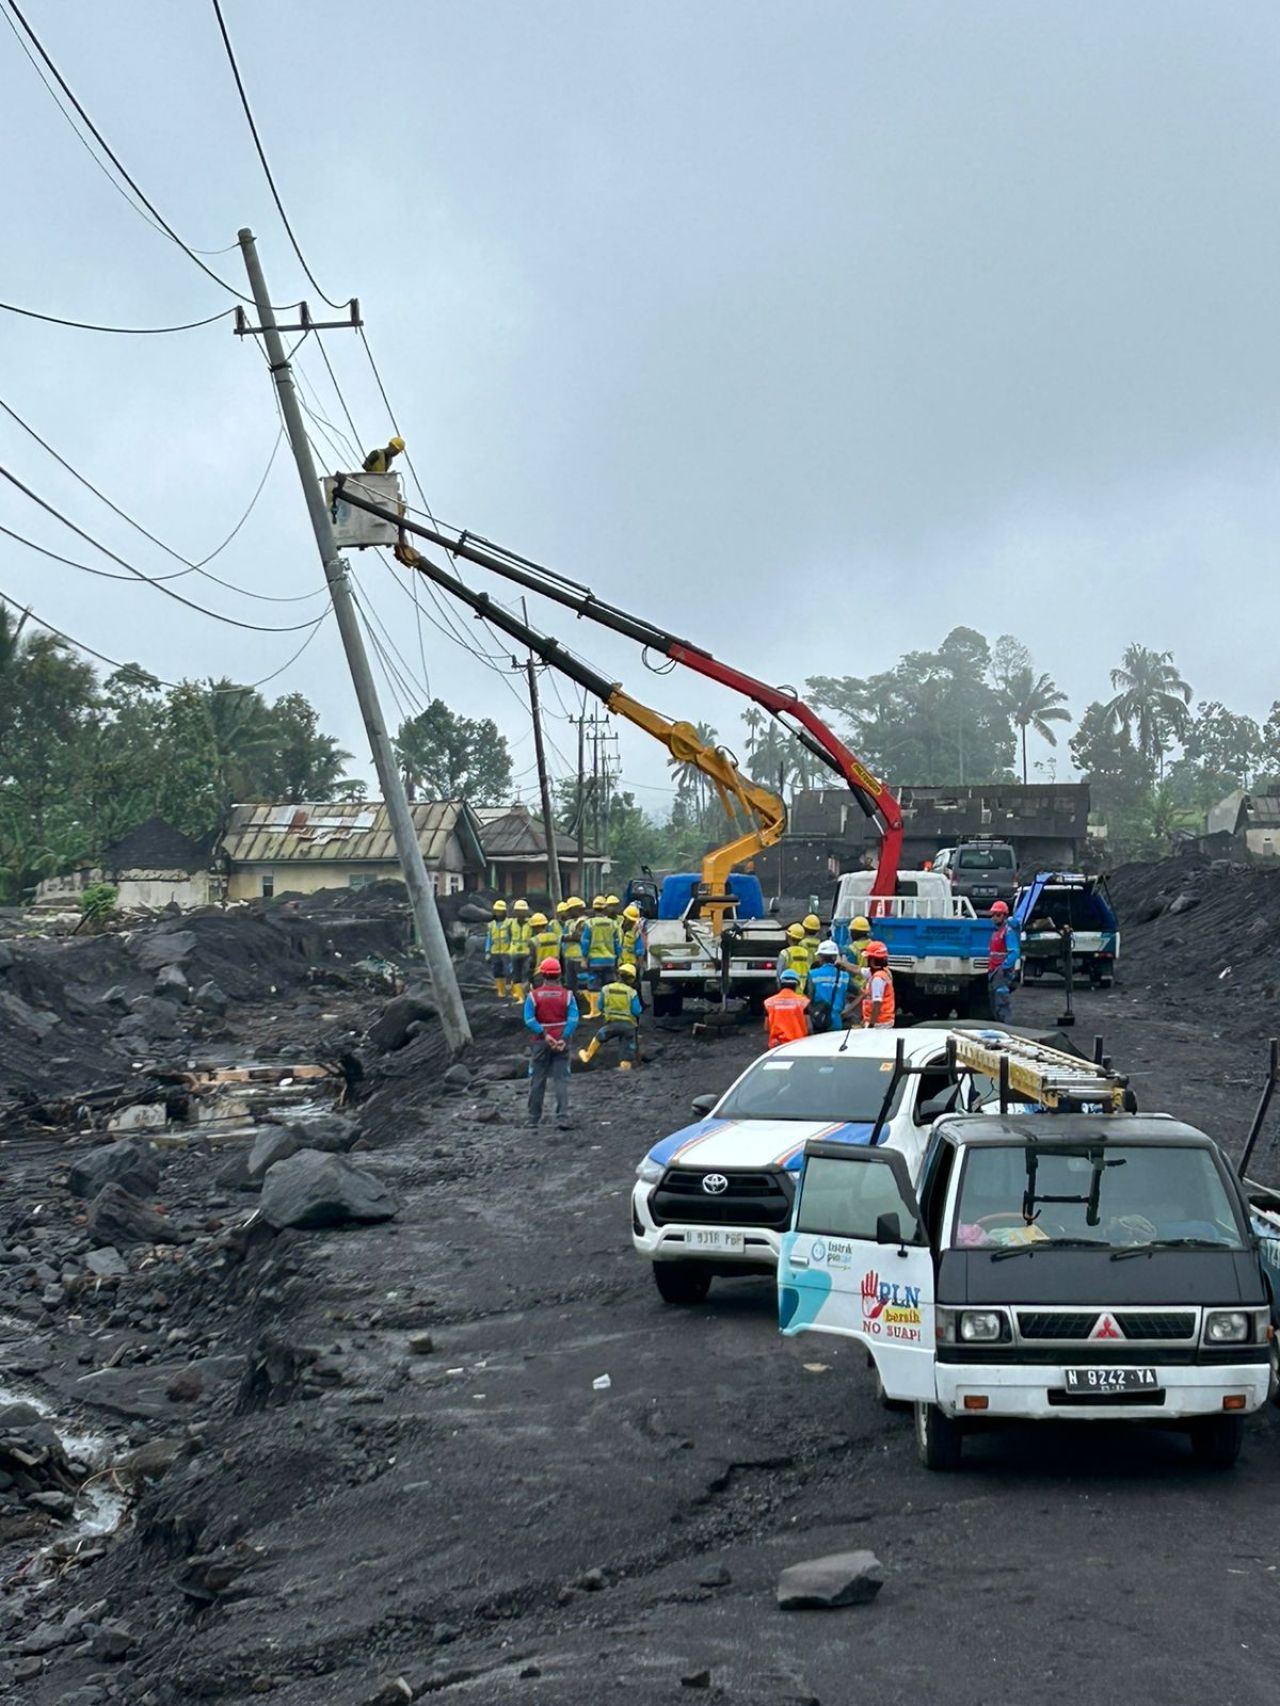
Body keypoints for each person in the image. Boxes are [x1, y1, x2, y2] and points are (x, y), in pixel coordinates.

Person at [524, 957, 579, 1128]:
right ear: (559, 974)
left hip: (540, 1043)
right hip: (562, 1042)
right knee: (561, 1080)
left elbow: (529, 1019)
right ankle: (563, 1117)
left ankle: (533, 1119)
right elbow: (573, 1019)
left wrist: (544, 1035)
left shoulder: (533, 996)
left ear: (542, 974)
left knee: (538, 1079)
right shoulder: (568, 996)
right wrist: (563, 1038)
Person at [578, 963, 642, 1070]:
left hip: (611, 1023)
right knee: (627, 1047)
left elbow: (600, 1006)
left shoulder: (606, 989)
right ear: (632, 979)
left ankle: (588, 1055)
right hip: (628, 1026)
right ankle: (625, 1065)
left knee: (600, 1036)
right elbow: (637, 1011)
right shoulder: (632, 992)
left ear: (618, 975)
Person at [583, 896, 619, 1019]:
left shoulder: (590, 923)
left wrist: (584, 958)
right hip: (610, 960)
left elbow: (585, 942)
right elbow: (617, 943)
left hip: (595, 960)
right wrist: (617, 957)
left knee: (594, 986)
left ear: (593, 908)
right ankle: (610, 1011)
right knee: (609, 986)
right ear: (605, 908)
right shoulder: (613, 924)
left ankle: (595, 1011)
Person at [808, 940, 854, 1033]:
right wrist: (847, 1010)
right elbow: (863, 993)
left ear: (820, 957)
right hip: (836, 1021)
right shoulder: (844, 976)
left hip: (818, 1020)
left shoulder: (812, 974)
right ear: (835, 957)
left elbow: (808, 999)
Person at [987, 900, 1020, 1023]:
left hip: (1001, 971)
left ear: (1004, 915)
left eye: (998, 915)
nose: (995, 917)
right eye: (993, 915)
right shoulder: (997, 932)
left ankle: (1005, 1024)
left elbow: (1014, 952)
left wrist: (1004, 967)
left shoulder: (1008, 932)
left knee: (1001, 999)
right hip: (994, 970)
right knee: (994, 1001)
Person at [764, 969, 810, 1048]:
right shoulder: (803, 1002)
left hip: (777, 1045)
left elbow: (766, 1027)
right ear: (796, 985)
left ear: (780, 984)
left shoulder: (769, 1002)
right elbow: (808, 1027)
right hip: (798, 1044)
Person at [861, 941, 896, 1028]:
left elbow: (877, 1003)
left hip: (878, 1022)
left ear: (872, 960)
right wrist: (843, 963)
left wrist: (871, 1025)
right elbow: (858, 970)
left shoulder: (877, 978)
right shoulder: (885, 972)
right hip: (884, 1020)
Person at [560, 896, 586, 994]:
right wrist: (571, 937)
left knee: (582, 984)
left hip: (580, 958)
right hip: (568, 957)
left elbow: (579, 937)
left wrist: (570, 937)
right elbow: (562, 937)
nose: (568, 912)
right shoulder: (569, 922)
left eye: (570, 910)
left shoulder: (584, 921)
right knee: (570, 985)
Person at [484, 899, 510, 999]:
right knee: (497, 972)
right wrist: (487, 951)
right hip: (495, 952)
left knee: (507, 972)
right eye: (497, 911)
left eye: (500, 911)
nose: (498, 913)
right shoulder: (491, 925)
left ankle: (510, 991)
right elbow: (489, 938)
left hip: (506, 951)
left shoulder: (509, 923)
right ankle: (500, 992)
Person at [507, 899, 532, 1002]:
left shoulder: (531, 923)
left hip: (527, 952)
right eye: (518, 911)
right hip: (514, 953)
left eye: (522, 911)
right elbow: (509, 936)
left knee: (527, 974)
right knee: (516, 975)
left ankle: (527, 995)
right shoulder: (511, 923)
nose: (520, 913)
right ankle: (519, 996)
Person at [776, 923, 813, 987]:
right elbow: (810, 974)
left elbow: (779, 974)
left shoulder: (785, 953)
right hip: (803, 990)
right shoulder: (807, 953)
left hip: (789, 989)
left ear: (789, 937)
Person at [529, 910, 562, 975]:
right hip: (555, 970)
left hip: (540, 972)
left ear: (534, 927)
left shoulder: (533, 941)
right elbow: (561, 956)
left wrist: (530, 973)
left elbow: (532, 961)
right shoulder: (555, 937)